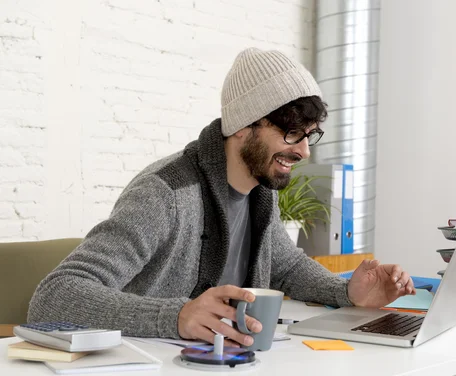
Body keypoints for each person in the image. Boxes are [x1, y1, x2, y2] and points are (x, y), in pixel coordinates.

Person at [29, 48, 415, 348]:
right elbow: (54, 295)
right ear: (245, 126)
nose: (304, 152)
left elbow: (287, 267)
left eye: (309, 135)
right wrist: (177, 315)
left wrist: (347, 290)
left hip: (222, 370)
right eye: (291, 134)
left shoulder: (259, 193)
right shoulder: (166, 193)